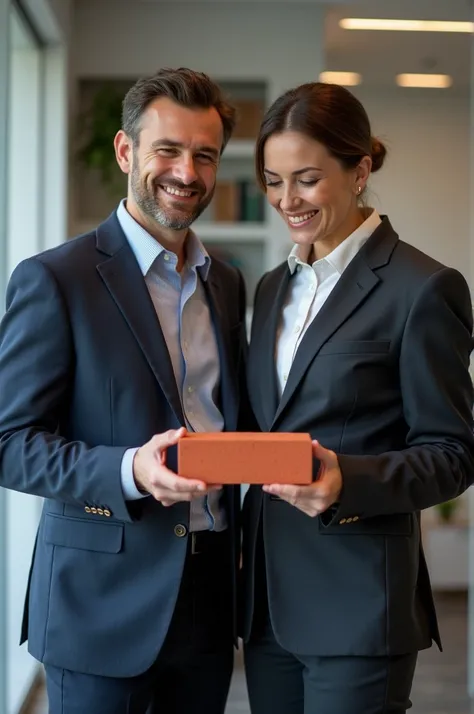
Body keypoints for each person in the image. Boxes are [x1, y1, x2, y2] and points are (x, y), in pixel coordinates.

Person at [0, 67, 249, 714]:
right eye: (168, 150)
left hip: (208, 596)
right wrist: (130, 469)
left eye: (204, 155)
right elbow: (11, 443)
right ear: (125, 150)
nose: (187, 173)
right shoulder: (56, 279)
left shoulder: (227, 283)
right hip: (98, 603)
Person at [240, 81, 474, 714]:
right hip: (267, 606)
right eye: (273, 180)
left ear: (359, 170)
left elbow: (453, 454)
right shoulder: (270, 289)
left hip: (359, 605)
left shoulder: (423, 289)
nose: (287, 200)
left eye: (307, 179)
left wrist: (348, 478)